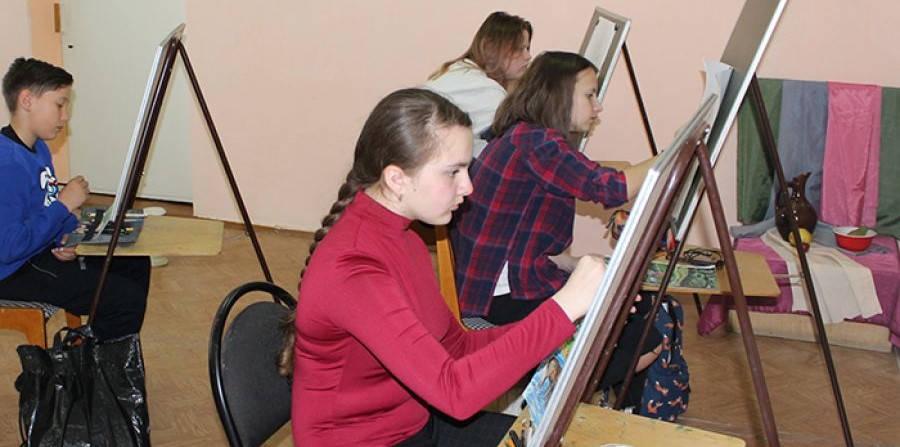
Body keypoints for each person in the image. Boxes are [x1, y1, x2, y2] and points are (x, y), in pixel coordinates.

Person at [284, 88, 608, 446]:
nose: (468, 186)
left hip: (414, 425)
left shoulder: (405, 238)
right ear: (397, 179)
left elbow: (456, 345)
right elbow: (455, 393)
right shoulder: (353, 269)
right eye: (453, 172)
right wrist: (563, 308)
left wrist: (572, 320)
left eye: (467, 169)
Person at [451, 51, 661, 408]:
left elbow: (521, 234)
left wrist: (568, 263)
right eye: (590, 95)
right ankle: (557, 399)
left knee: (638, 308)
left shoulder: (525, 134)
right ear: (559, 95)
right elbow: (611, 188)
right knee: (643, 340)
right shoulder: (538, 143)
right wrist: (672, 154)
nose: (598, 106)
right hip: (499, 300)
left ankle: (595, 406)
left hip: (500, 285)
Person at [0, 57, 149, 341]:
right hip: (12, 272)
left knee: (133, 261)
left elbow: (43, 211)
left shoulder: (38, 149)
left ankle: (95, 351)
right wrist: (64, 205)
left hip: (36, 253)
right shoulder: (7, 163)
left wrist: (63, 238)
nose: (65, 116)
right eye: (59, 104)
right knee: (124, 299)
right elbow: (9, 247)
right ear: (27, 100)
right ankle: (83, 360)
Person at [425, 11, 532, 157]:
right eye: (519, 49)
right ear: (491, 48)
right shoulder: (489, 91)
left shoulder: (459, 69)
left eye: (527, 48)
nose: (528, 56)